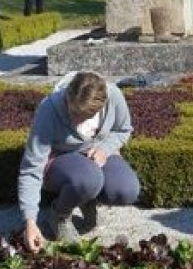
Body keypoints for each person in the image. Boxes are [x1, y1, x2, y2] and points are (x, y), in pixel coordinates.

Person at [18, 71, 141, 252]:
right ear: (68, 96)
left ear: (101, 108)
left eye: (83, 117)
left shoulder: (113, 96)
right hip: (61, 160)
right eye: (72, 113)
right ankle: (59, 214)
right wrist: (29, 221)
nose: (75, 121)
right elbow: (31, 167)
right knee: (88, 179)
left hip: (97, 154)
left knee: (126, 190)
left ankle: (85, 197)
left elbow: (123, 130)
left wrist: (105, 149)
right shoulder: (49, 109)